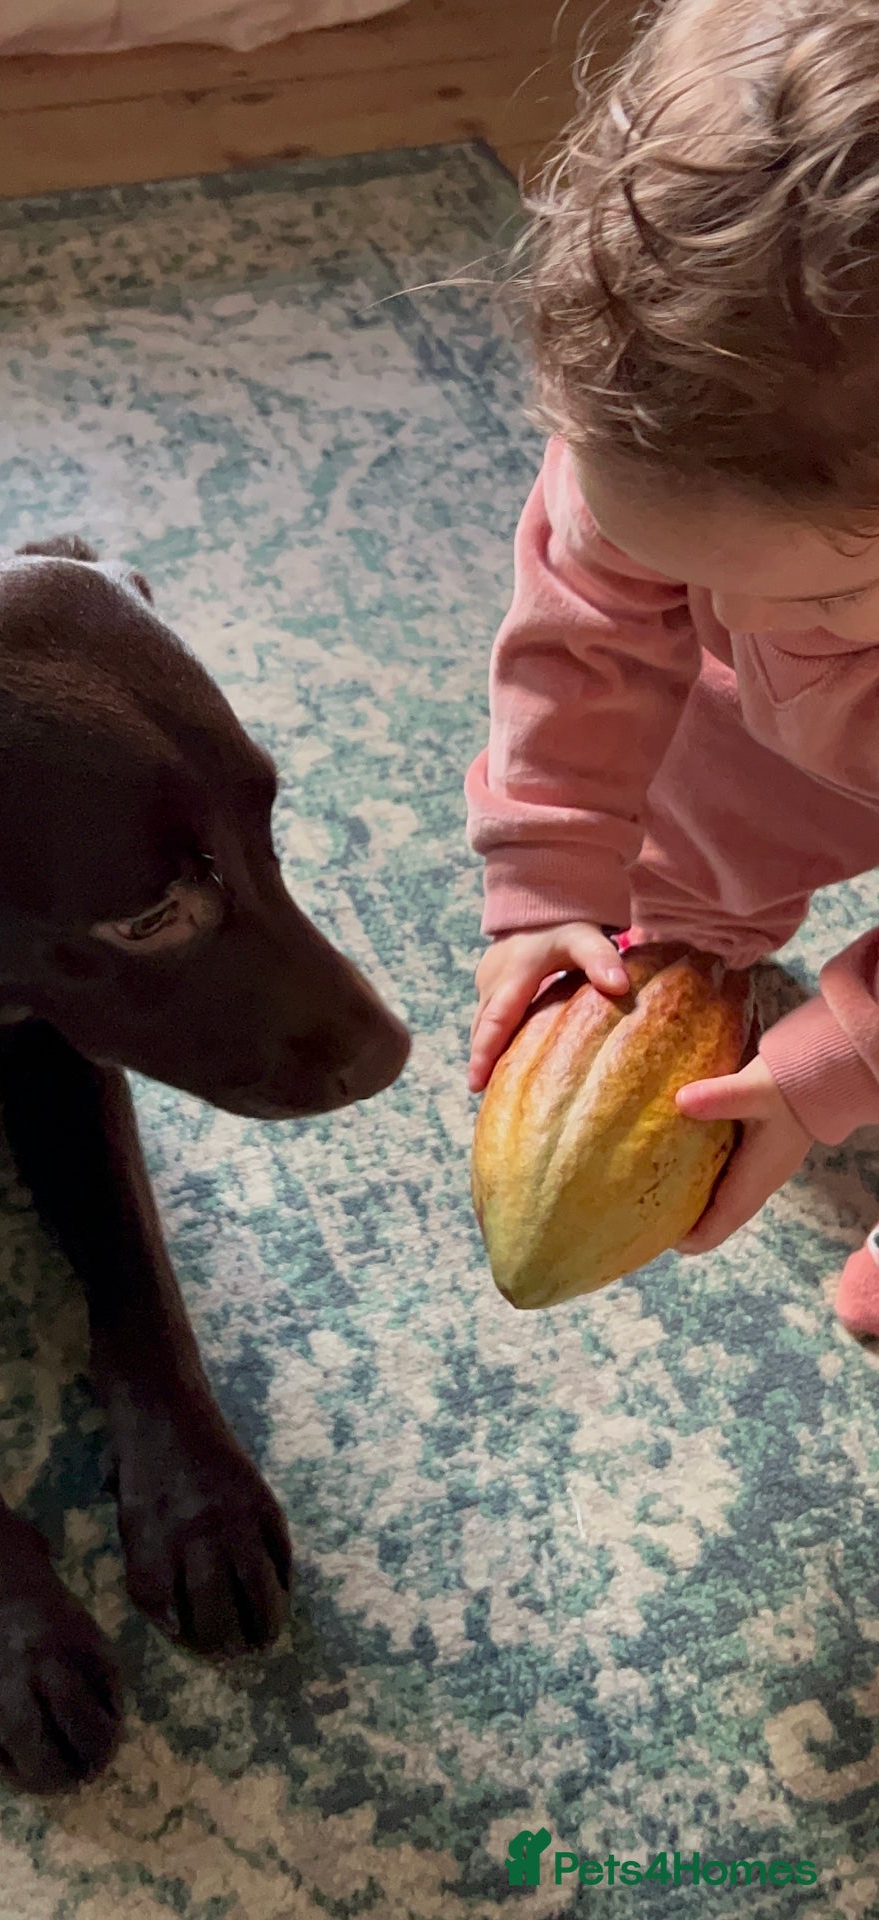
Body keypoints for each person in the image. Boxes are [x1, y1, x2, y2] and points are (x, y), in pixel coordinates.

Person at [465, 0, 879, 1336]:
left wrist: (843, 1053)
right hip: (793, 749)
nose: (741, 613)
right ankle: (693, 938)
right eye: (680, 563)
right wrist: (547, 876)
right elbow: (585, 635)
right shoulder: (657, 434)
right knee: (689, 814)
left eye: (826, 584)